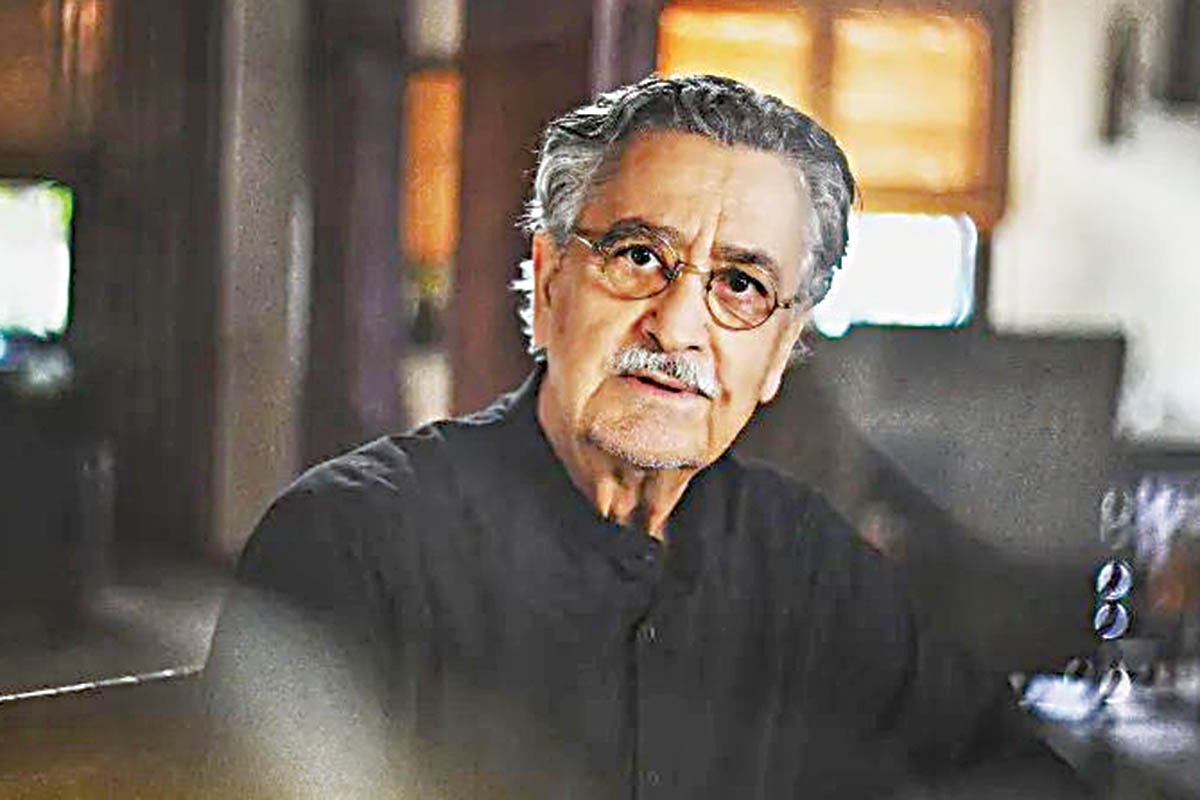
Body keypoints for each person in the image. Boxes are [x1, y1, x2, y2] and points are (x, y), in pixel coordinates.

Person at [203, 74, 1083, 798]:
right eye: (638, 258)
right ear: (550, 284)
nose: (677, 327)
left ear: (779, 352)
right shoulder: (349, 545)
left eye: (740, 285)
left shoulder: (811, 563)